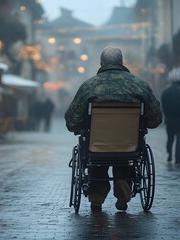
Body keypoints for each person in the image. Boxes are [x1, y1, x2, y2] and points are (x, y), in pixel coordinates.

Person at [64, 47, 162, 212]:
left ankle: (97, 195)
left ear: (101, 63)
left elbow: (72, 119)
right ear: (122, 62)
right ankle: (123, 186)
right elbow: (156, 118)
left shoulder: (89, 86)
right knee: (124, 155)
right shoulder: (140, 85)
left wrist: (78, 127)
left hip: (96, 145)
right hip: (129, 144)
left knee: (96, 155)